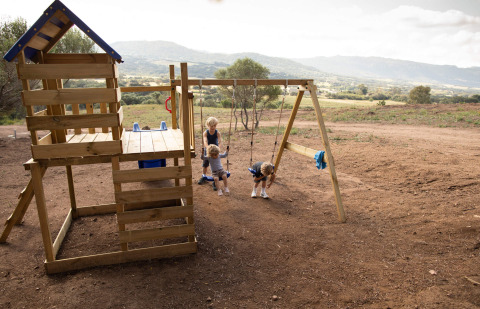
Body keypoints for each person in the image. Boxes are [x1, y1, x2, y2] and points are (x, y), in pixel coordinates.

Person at [197, 117, 222, 191]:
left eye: (214, 126)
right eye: (211, 126)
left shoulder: (217, 132)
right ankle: (203, 177)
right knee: (205, 165)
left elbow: (220, 141)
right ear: (208, 126)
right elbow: (205, 141)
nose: (213, 127)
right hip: (208, 150)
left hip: (215, 151)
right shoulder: (205, 132)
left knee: (215, 165)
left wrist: (219, 149)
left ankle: (214, 181)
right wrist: (208, 148)